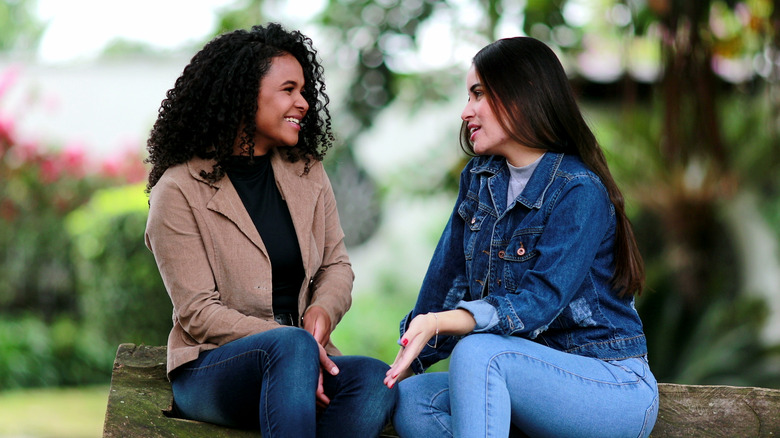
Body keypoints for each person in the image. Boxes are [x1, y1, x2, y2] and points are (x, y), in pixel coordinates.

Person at [384, 36, 659, 438]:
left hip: (610, 385)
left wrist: (446, 322)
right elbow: (445, 284)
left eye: (478, 94)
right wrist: (409, 357)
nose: (465, 111)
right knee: (413, 403)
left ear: (520, 95)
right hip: (527, 381)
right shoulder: (480, 180)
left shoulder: (578, 189)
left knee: (479, 353)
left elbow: (539, 302)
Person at [144, 23, 395, 437]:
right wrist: (295, 344)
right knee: (291, 347)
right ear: (244, 96)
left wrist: (321, 314)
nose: (304, 103)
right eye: (289, 90)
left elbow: (336, 265)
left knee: (373, 380)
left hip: (302, 355)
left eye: (304, 91)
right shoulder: (179, 190)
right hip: (213, 367)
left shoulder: (307, 173)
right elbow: (198, 313)